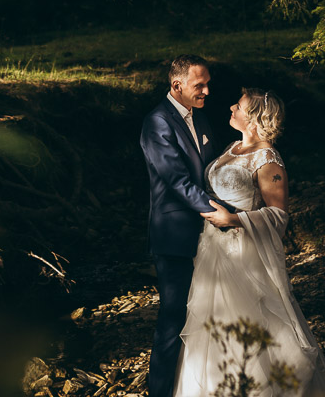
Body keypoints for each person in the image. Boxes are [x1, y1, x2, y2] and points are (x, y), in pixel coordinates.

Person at [175, 88, 325, 397]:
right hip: (213, 252)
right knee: (214, 328)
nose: (232, 107)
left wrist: (234, 220)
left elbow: (278, 216)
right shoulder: (233, 147)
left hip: (244, 254)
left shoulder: (267, 157)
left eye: (240, 105)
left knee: (251, 324)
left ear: (256, 119)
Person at [140, 55, 221, 397]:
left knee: (207, 314)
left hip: (206, 236)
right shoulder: (157, 122)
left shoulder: (199, 118)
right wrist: (217, 212)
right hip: (174, 236)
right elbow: (176, 179)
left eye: (207, 84)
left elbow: (210, 170)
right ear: (177, 86)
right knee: (173, 321)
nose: (206, 92)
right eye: (199, 85)